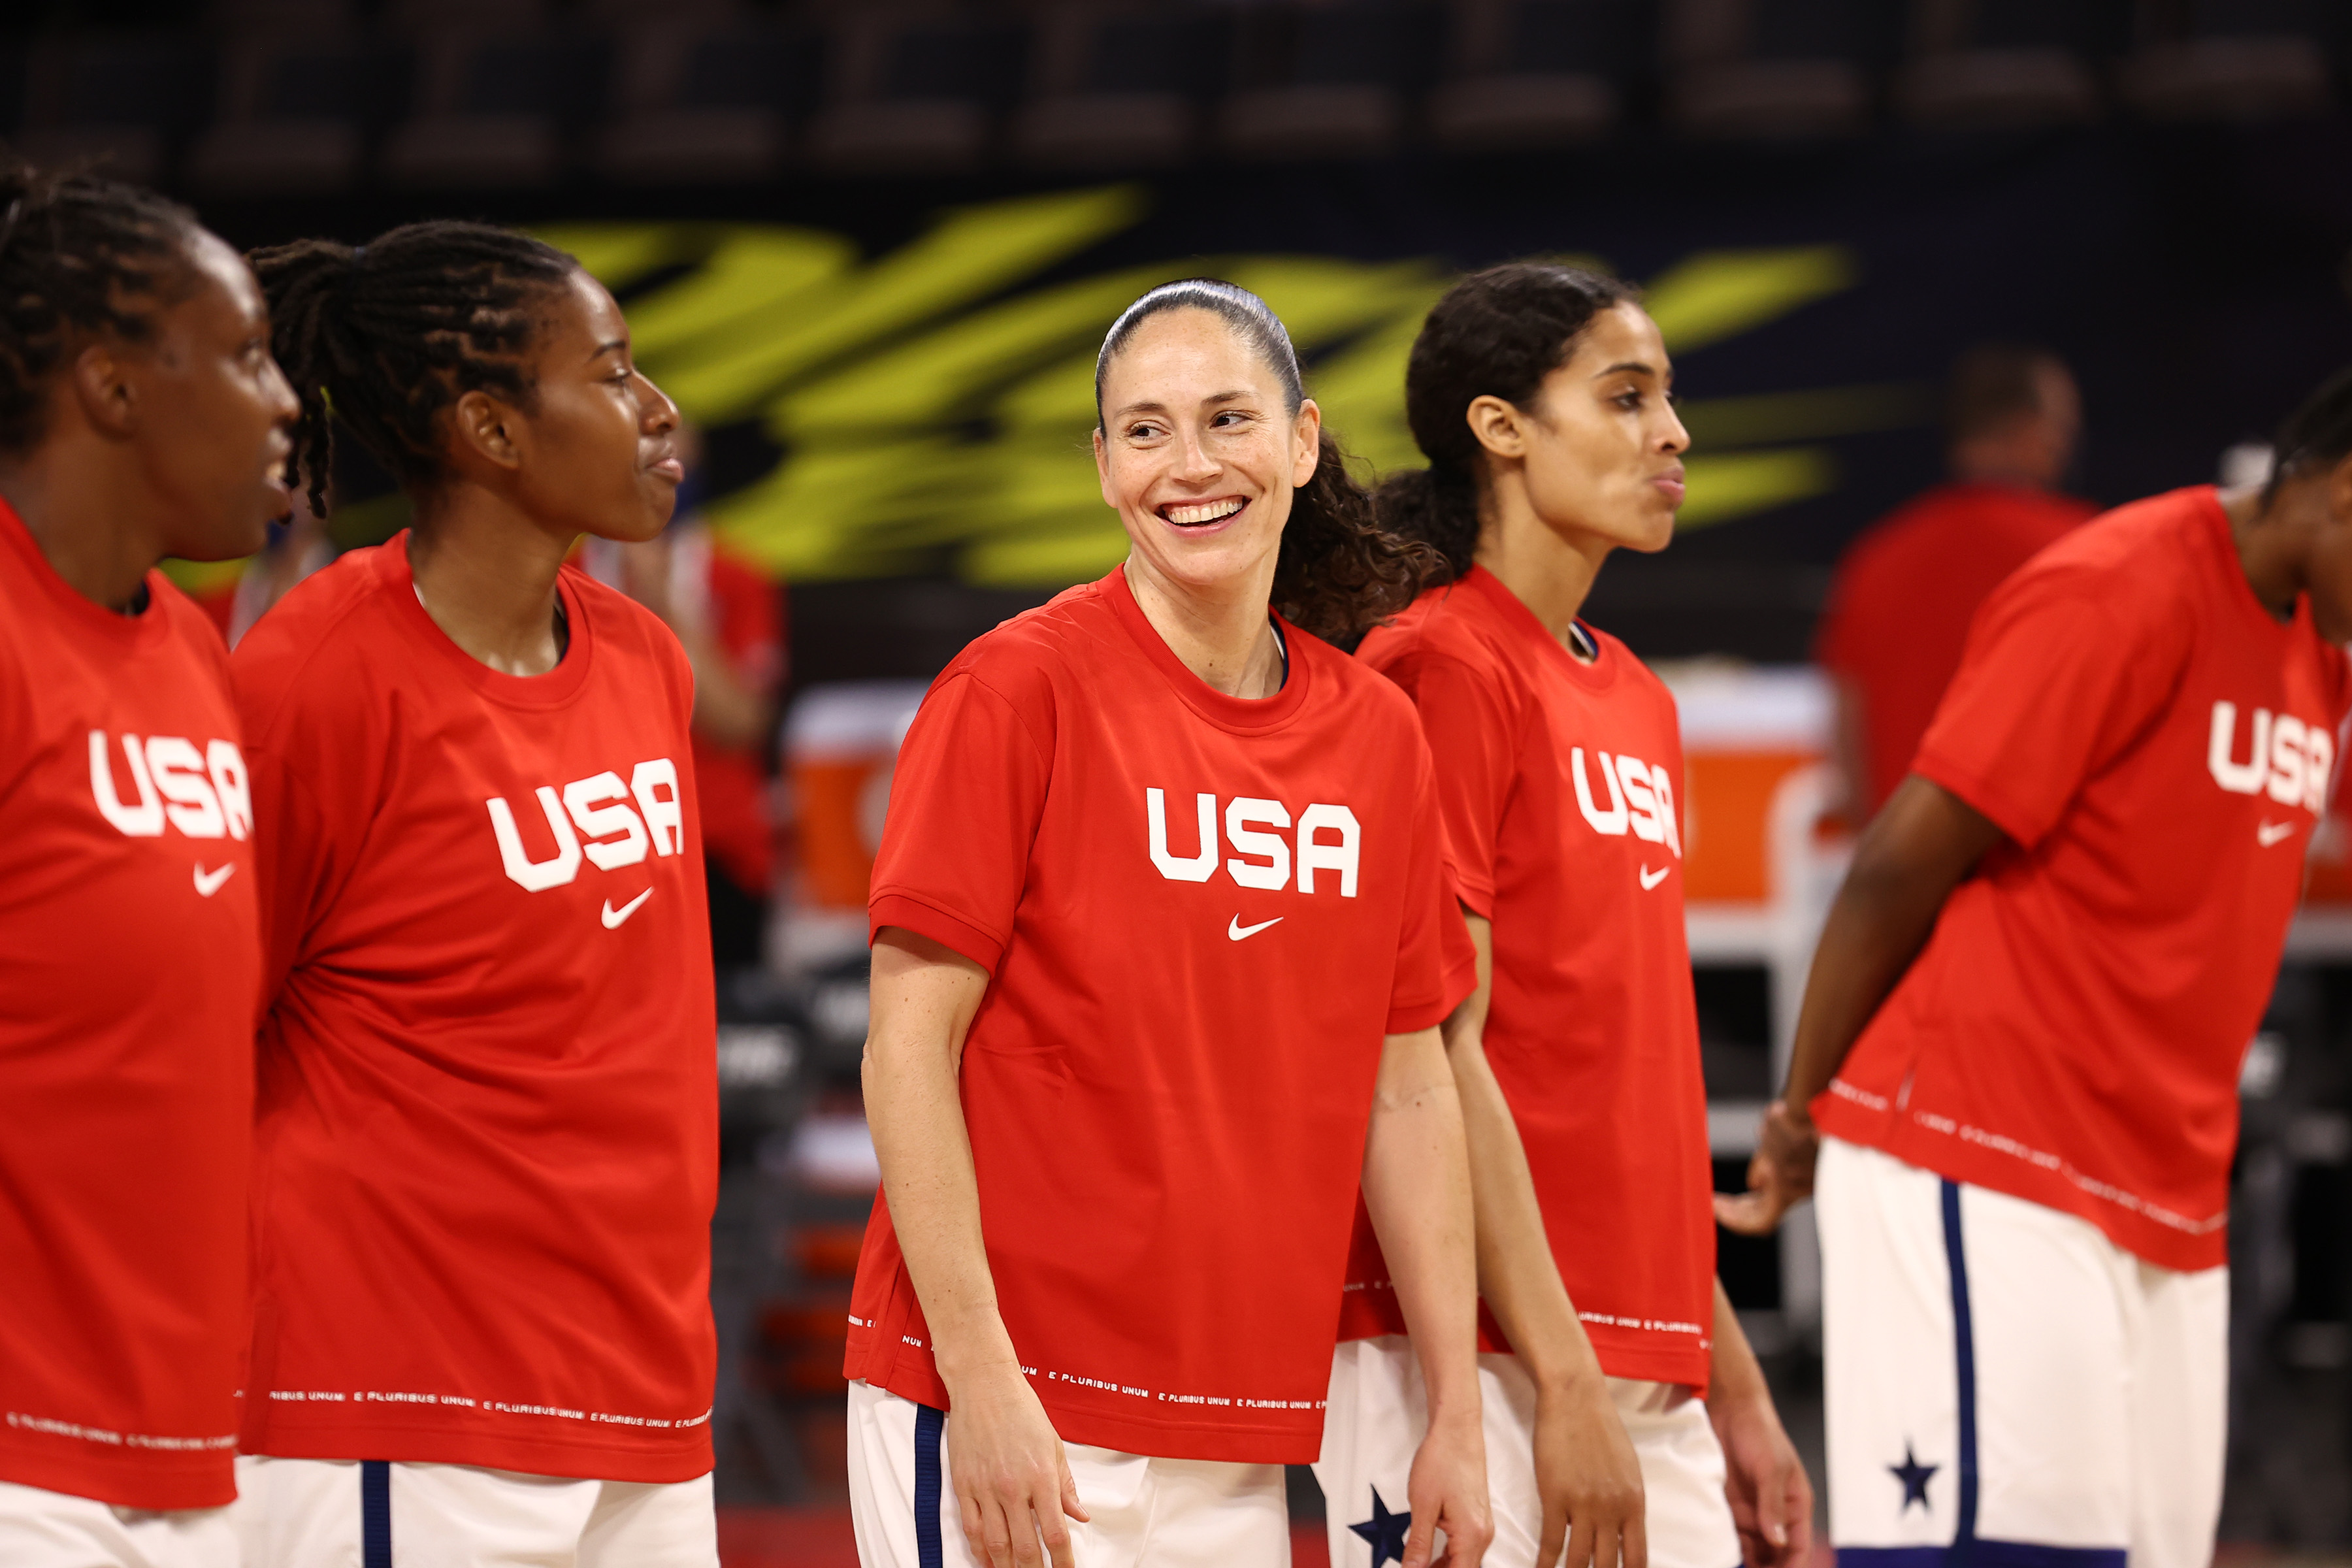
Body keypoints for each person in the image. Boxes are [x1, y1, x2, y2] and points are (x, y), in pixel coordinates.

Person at [845, 279, 1492, 1568]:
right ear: (1101, 467)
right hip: (1012, 1407)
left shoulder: (1377, 736)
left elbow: (1407, 1085)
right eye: (1145, 431)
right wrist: (981, 1387)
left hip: (1237, 1426)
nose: (1189, 466)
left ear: (1302, 444)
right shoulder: (1014, 689)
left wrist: (1458, 1412)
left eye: (1227, 419)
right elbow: (905, 1049)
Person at [1718, 372, 2352, 1563]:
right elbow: (1901, 855)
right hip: (1995, 1148)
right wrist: (1803, 1109)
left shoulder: (2321, 642)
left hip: (2168, 1187)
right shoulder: (2125, 580)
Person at [230, 222, 721, 1566]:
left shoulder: (643, 660)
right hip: (398, 1396)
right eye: (614, 374)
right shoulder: (313, 678)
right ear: (491, 432)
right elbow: (194, 1037)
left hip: (643, 1387)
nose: (659, 410)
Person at [1332, 262, 1814, 1568]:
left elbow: (1635, 1092)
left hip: (1634, 1368)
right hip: (1498, 1365)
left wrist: (1738, 1390)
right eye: (1628, 396)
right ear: (1501, 427)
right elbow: (1440, 1048)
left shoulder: (1640, 700)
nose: (1675, 435)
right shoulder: (1439, 665)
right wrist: (1563, 1380)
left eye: (1670, 400)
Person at [0, 158, 297, 1565]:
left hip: (189, 1454)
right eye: (242, 356)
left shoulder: (186, 646)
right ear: (113, 389)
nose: (283, 400)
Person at [1816, 344, 2094, 821]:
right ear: (2036, 429)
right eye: (2064, 425)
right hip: (2040, 871)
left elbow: (1847, 729)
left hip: (1905, 876)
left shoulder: (1876, 557)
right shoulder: (2090, 550)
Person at [579, 423, 783, 970]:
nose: (663, 460)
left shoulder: (736, 578)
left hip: (718, 854)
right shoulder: (562, 576)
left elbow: (740, 721)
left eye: (677, 444)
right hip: (592, 845)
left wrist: (661, 602)